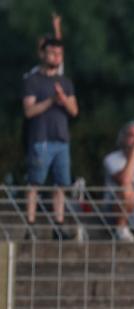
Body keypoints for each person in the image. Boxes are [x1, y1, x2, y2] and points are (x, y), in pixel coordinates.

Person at [22, 37, 78, 240]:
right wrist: (51, 101)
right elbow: (29, 111)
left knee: (61, 184)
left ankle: (58, 225)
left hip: (61, 139)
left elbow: (74, 110)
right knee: (34, 183)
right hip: (41, 139)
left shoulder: (65, 82)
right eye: (52, 53)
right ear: (43, 54)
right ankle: (30, 226)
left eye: (59, 54)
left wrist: (63, 100)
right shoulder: (33, 80)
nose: (56, 57)